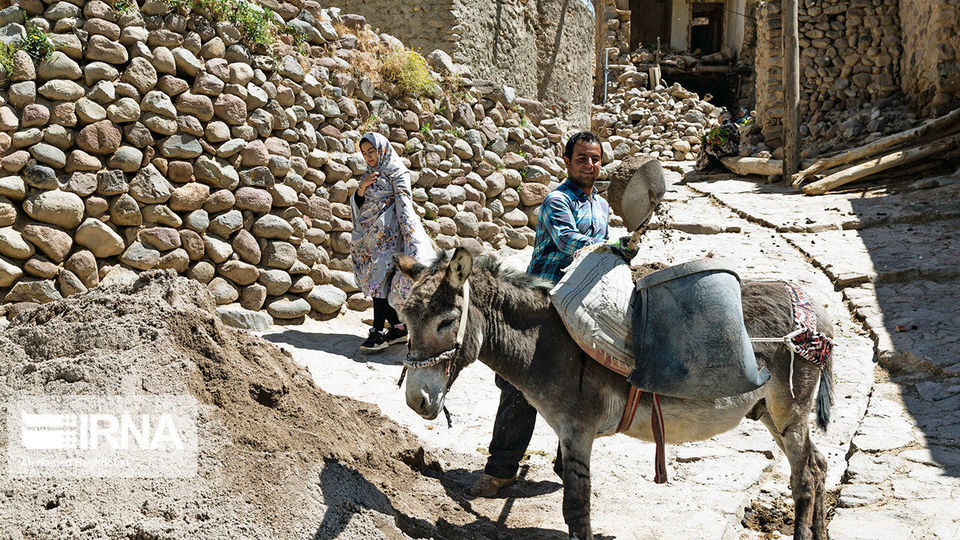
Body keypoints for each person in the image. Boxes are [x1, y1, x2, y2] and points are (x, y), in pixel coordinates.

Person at [471, 131, 610, 497]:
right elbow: (569, 243)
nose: (590, 165)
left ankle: (568, 464)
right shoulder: (556, 201)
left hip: (582, 304)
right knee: (520, 385)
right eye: (582, 158)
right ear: (567, 161)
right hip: (543, 305)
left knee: (581, 384)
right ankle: (501, 469)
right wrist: (614, 246)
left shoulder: (602, 207)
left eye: (595, 158)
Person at [351, 133, 436, 351]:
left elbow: (405, 204)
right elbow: (360, 203)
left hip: (392, 236)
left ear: (382, 149)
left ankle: (377, 333)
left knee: (379, 280)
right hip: (370, 237)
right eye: (364, 153)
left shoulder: (397, 172)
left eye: (372, 151)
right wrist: (362, 188)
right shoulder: (369, 173)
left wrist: (412, 237)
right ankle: (399, 328)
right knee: (378, 282)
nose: (369, 157)